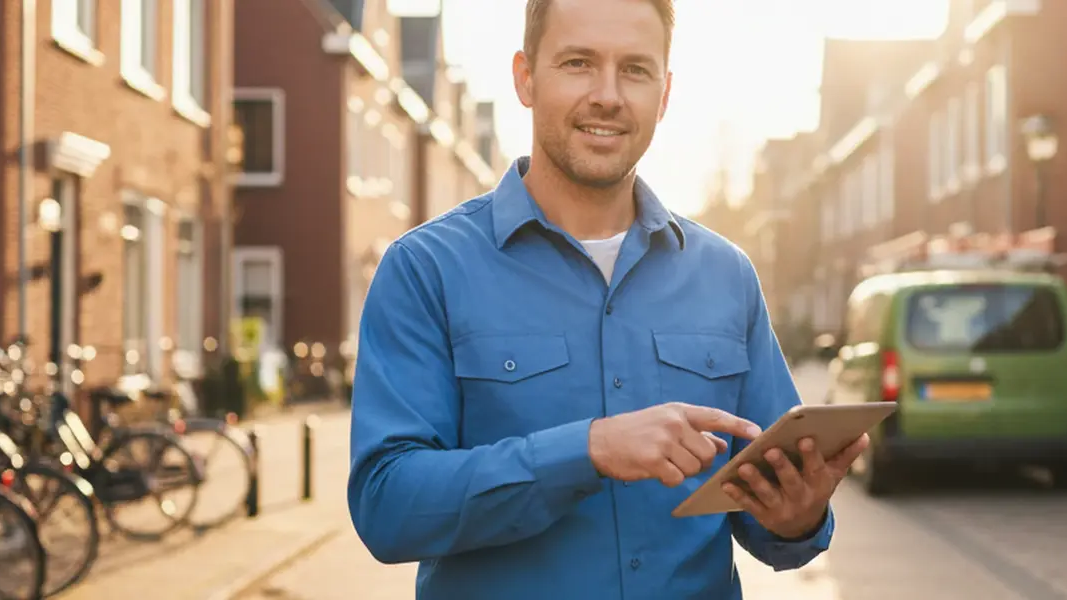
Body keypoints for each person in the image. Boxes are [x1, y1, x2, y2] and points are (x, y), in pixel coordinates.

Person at [345, 0, 869, 597]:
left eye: (635, 70)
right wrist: (587, 449)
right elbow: (386, 508)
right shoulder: (425, 269)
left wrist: (797, 516)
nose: (608, 96)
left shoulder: (727, 275)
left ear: (664, 95)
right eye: (578, 63)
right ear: (525, 78)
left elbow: (772, 519)